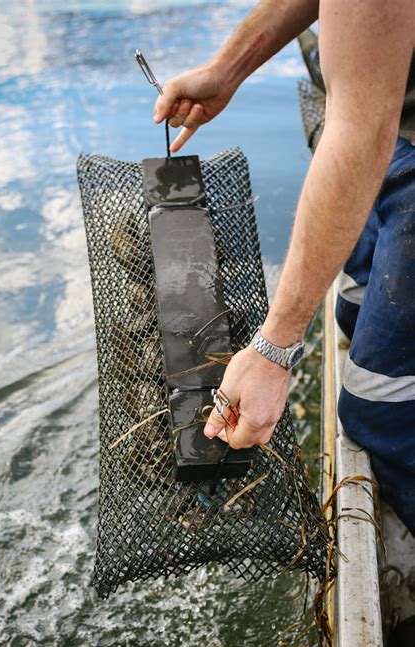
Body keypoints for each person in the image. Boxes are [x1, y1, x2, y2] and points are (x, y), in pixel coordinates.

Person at [153, 0, 415, 537]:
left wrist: (274, 347)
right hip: (395, 144)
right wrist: (225, 70)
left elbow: (361, 125)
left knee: (375, 409)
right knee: (351, 309)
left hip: (388, 139)